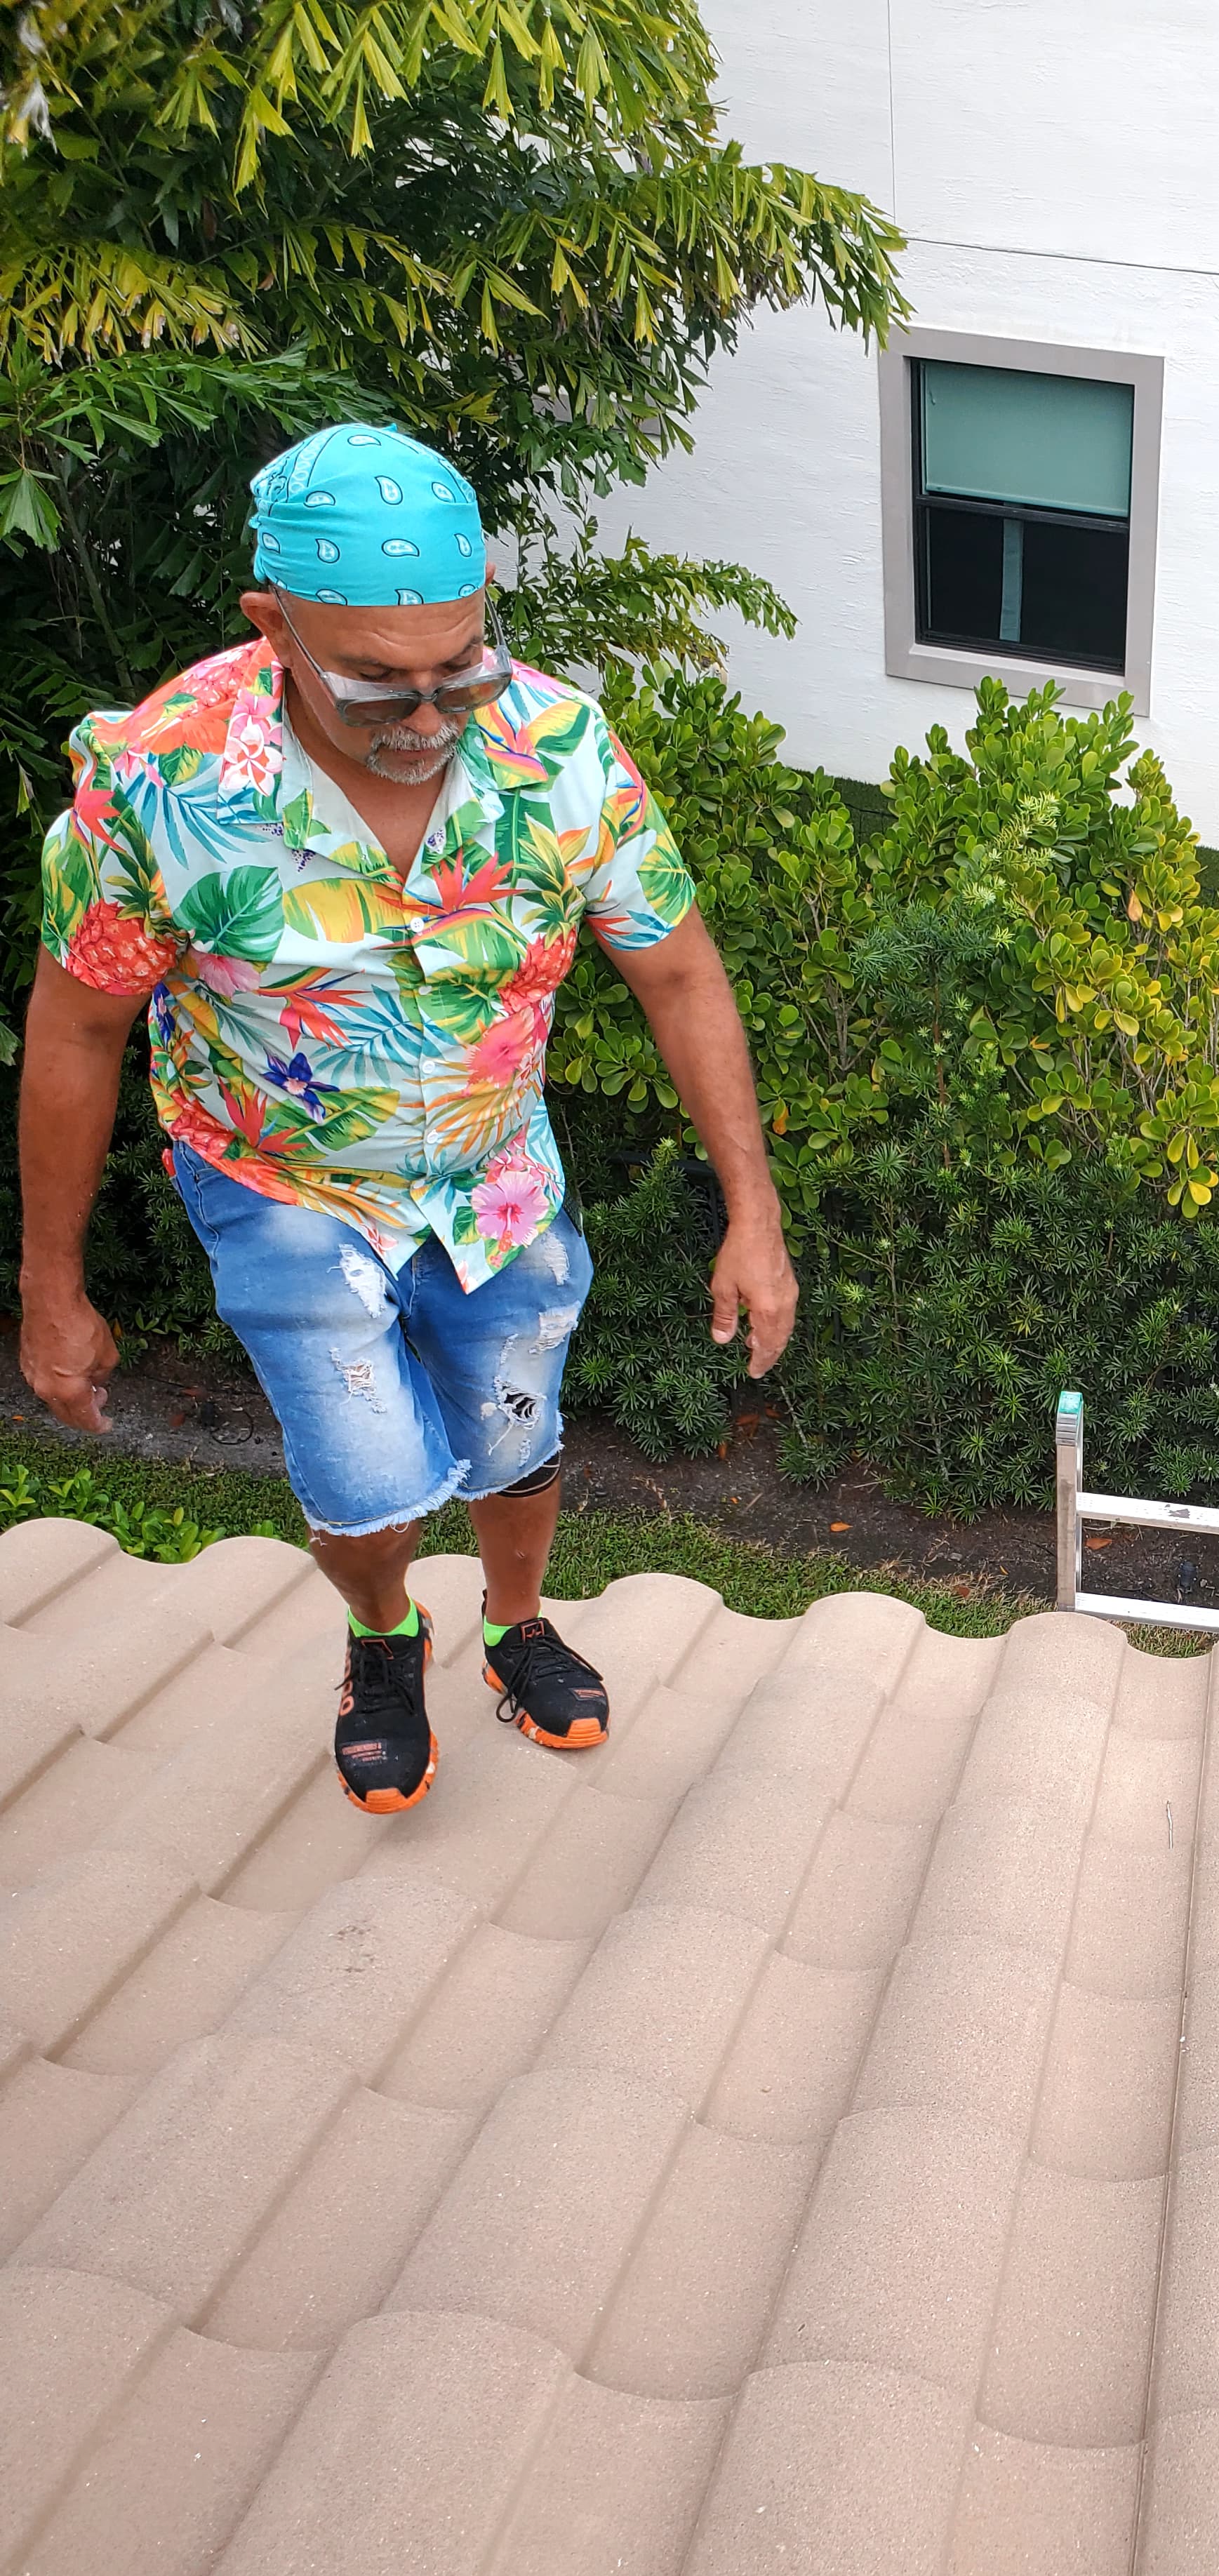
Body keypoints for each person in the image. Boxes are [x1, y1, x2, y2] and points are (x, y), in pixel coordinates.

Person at [18, 422, 797, 1812]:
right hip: (281, 1188)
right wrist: (50, 1286)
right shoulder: (160, 781)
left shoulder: (561, 750)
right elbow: (79, 1032)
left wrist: (755, 1212)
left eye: (462, 665)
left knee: (516, 1433)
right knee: (366, 1484)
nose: (431, 714)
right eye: (378, 681)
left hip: (498, 1180)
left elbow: (679, 975)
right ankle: (384, 1635)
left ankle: (516, 1622)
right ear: (273, 624)